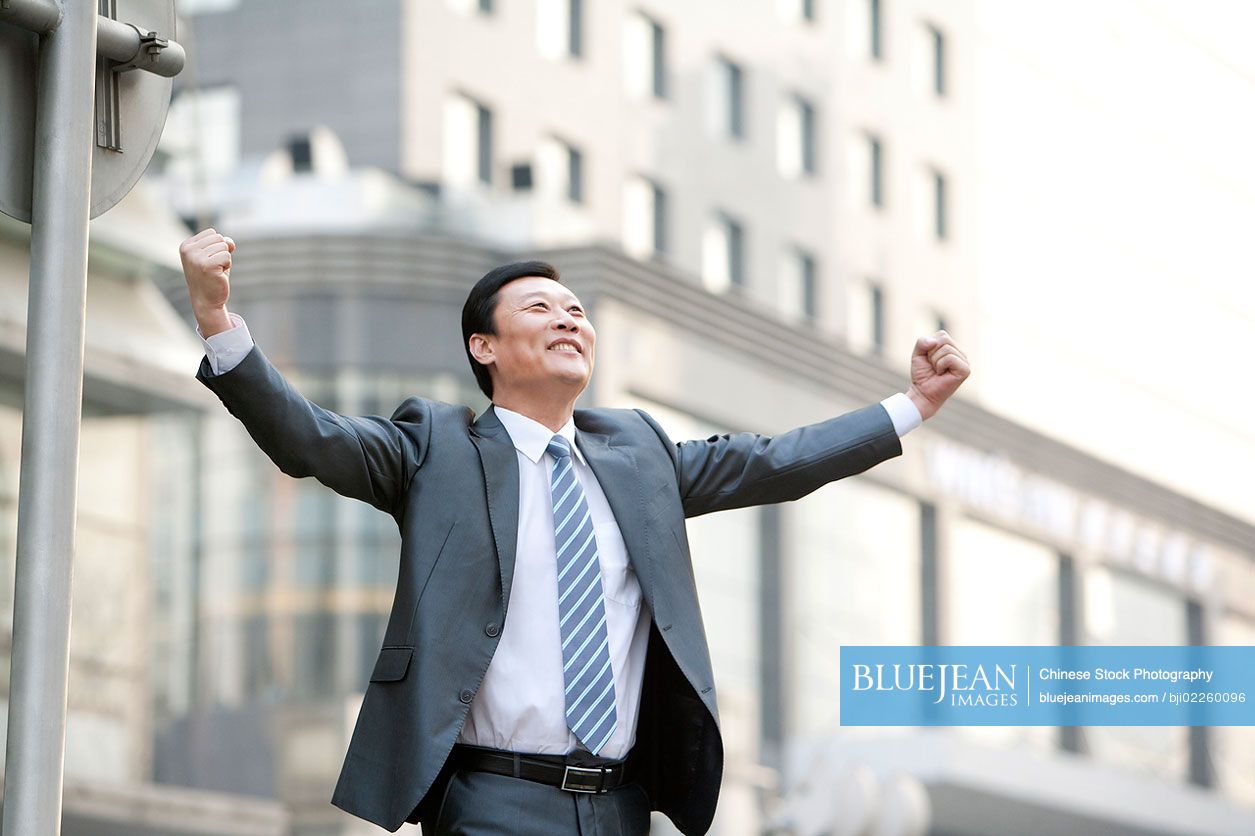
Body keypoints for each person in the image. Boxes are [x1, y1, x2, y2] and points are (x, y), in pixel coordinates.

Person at [179, 228, 970, 835]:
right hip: (492, 800)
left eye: (576, 312)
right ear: (482, 348)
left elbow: (774, 461)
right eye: (540, 309)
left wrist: (911, 406)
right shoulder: (437, 449)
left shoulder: (639, 456)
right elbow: (311, 438)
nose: (567, 320)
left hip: (622, 805)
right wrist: (218, 319)